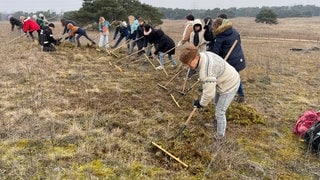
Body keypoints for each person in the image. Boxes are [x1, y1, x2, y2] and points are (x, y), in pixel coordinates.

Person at [179, 44, 240, 140]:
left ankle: (220, 137)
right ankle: (216, 123)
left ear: (196, 57)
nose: (188, 66)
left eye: (189, 63)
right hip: (223, 79)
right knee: (217, 104)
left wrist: (200, 103)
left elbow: (209, 94)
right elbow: (208, 86)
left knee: (220, 111)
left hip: (230, 85)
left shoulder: (206, 72)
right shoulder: (203, 55)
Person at [212, 17, 246, 103]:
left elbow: (216, 52)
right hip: (238, 58)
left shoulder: (220, 35)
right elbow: (239, 43)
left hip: (230, 61)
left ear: (217, 26)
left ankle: (229, 95)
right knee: (236, 77)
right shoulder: (234, 31)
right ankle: (240, 95)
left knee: (230, 78)